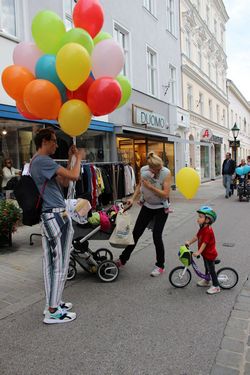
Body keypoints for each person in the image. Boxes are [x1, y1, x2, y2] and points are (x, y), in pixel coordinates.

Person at [30, 128, 85, 324]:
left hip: (50, 216)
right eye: (54, 141)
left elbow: (63, 180)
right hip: (55, 216)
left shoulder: (37, 161)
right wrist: (78, 158)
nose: (56, 144)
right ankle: (53, 311)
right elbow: (75, 176)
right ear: (44, 141)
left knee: (51, 263)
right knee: (59, 264)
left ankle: (53, 303)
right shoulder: (43, 161)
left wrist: (71, 160)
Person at [116, 152, 171, 277]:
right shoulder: (144, 170)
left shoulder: (166, 173)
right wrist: (133, 198)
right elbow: (139, 186)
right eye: (155, 170)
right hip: (147, 206)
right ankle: (123, 259)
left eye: (159, 169)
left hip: (161, 208)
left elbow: (166, 194)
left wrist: (150, 187)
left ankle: (160, 265)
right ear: (149, 167)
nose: (157, 171)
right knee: (136, 233)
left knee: (157, 236)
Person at [185, 206, 220, 295]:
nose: (198, 218)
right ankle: (207, 281)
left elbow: (204, 243)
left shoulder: (208, 231)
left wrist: (198, 252)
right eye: (199, 216)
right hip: (205, 254)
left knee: (211, 270)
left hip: (210, 254)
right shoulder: (202, 228)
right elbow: (196, 236)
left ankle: (216, 286)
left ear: (207, 220)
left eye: (200, 217)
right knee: (206, 267)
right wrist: (189, 242)